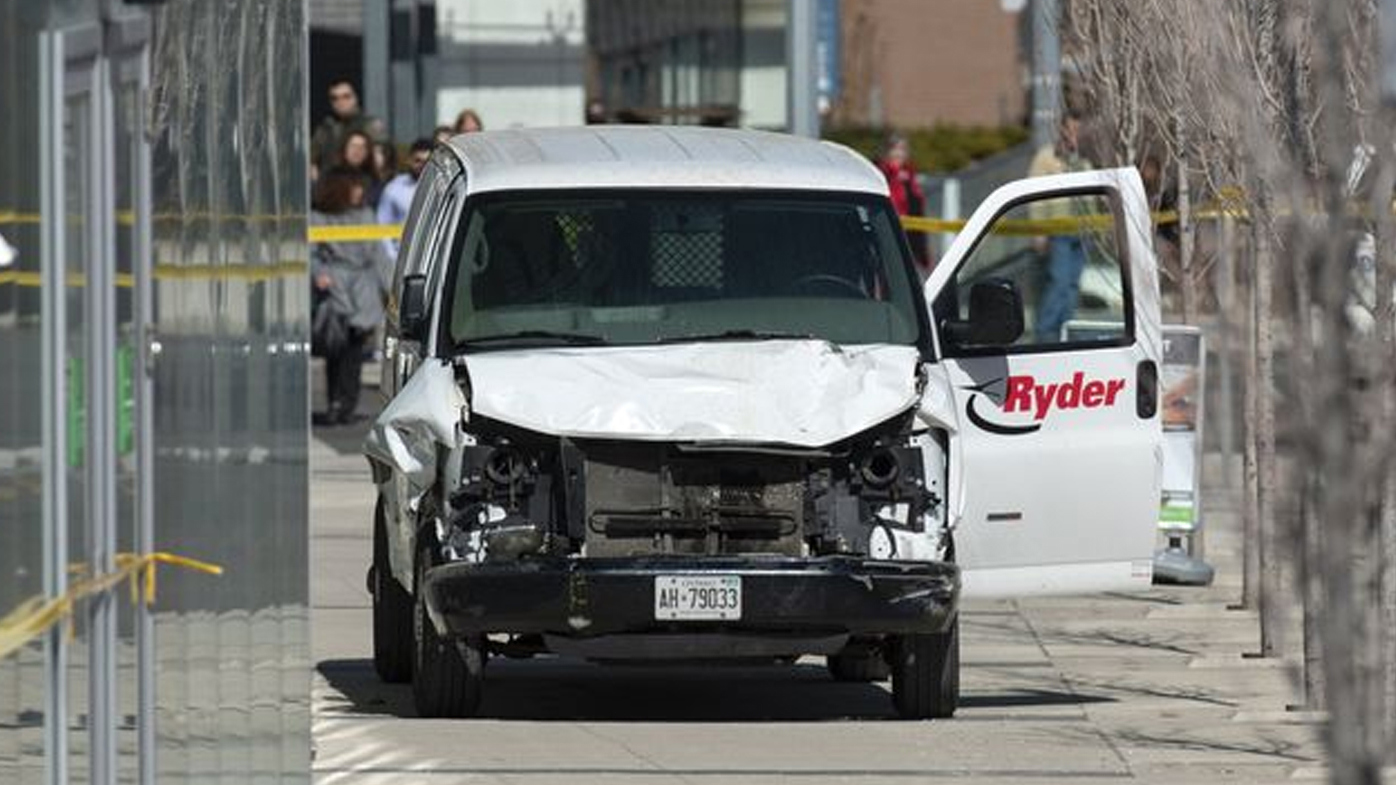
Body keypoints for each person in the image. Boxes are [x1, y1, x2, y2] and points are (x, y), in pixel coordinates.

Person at [311, 167, 393, 426]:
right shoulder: (318, 217)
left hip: (364, 287)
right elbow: (311, 253)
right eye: (355, 186)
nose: (360, 192)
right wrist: (318, 274)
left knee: (354, 350)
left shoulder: (367, 215)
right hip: (336, 287)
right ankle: (335, 400)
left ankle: (347, 403)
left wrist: (391, 288)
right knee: (335, 348)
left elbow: (379, 254)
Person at [1027, 113, 1094, 342]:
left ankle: (1066, 332)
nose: (1074, 135)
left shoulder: (1082, 161)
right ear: (1062, 130)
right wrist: (1039, 232)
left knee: (1073, 286)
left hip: (1081, 232)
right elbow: (1035, 196)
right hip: (1057, 232)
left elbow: (1090, 195)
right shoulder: (1046, 158)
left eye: (1078, 130)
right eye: (1071, 129)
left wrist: (1094, 226)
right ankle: (1046, 334)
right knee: (1059, 282)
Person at [878, 134, 930, 273]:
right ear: (887, 152)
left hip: (911, 232)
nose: (899, 154)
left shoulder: (910, 174)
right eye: (895, 149)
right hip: (890, 229)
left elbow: (917, 204)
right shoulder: (882, 173)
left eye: (903, 149)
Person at [311, 79, 385, 175]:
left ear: (356, 98)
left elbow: (380, 160)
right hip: (329, 184)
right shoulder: (325, 128)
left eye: (346, 97)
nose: (341, 102)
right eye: (335, 98)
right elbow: (311, 158)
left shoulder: (369, 125)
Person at [377, 138, 433, 258]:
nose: (422, 166)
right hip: (401, 256)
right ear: (409, 161)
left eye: (427, 161)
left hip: (432, 256)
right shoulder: (393, 188)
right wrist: (392, 257)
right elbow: (383, 225)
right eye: (417, 161)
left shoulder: (442, 187)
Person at [338, 130, 385, 209]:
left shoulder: (374, 181)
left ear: (367, 153)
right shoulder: (331, 178)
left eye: (362, 147)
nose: (357, 151)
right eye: (353, 146)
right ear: (344, 150)